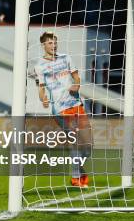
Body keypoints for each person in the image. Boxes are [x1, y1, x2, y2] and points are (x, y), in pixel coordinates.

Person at [34, 31, 92, 188]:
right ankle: (75, 179)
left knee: (88, 146)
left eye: (55, 42)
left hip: (76, 104)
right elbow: (41, 88)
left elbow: (77, 77)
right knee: (76, 142)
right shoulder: (39, 66)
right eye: (50, 43)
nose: (53, 45)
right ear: (43, 45)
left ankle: (78, 170)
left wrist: (77, 85)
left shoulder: (66, 58)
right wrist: (43, 99)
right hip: (60, 109)